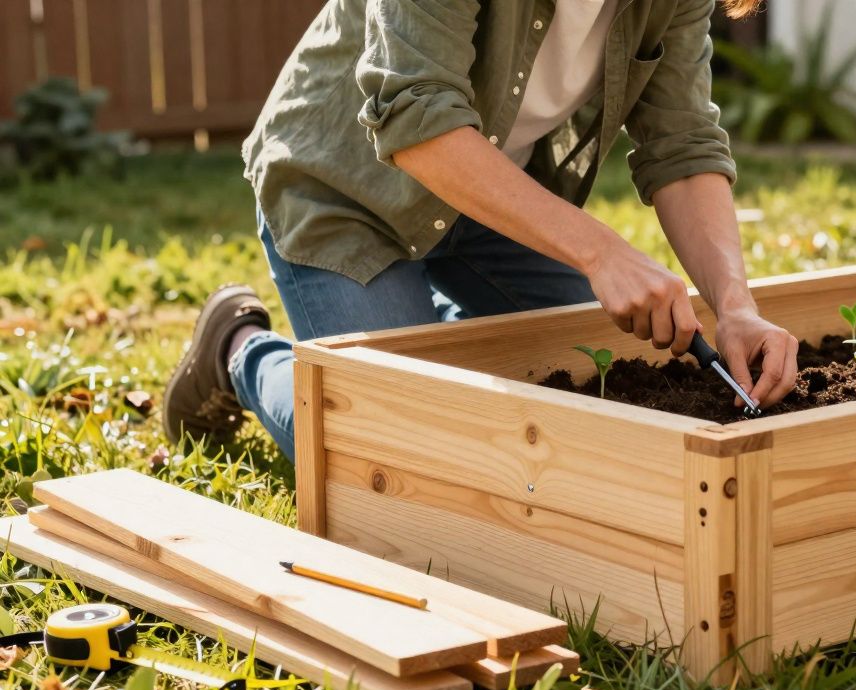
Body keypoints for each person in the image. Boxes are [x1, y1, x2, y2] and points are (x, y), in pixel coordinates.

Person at [162, 0, 799, 457]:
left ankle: (427, 344)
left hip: (491, 208)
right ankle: (240, 351)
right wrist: (599, 250)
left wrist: (735, 306)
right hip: (346, 192)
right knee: (391, 454)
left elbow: (683, 145)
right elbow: (414, 112)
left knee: (598, 389)